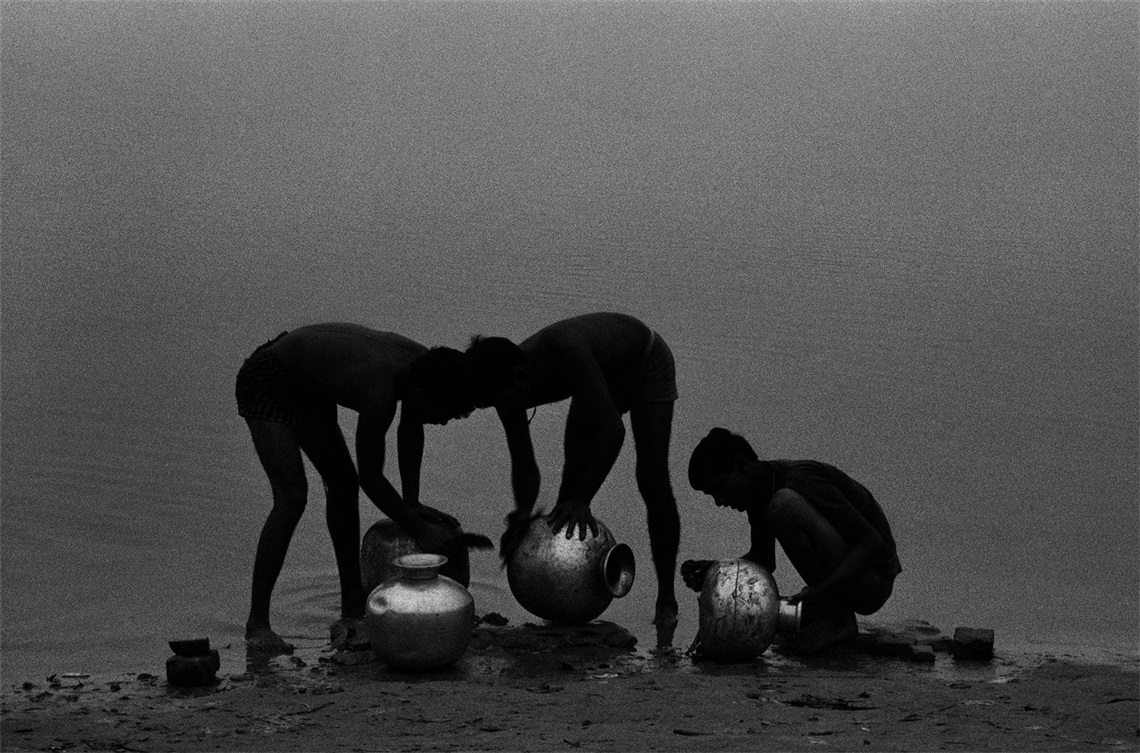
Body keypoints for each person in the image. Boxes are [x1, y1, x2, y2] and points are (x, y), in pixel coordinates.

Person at [235, 323, 477, 653]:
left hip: (311, 387)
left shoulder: (425, 367)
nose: (445, 422)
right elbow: (372, 478)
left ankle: (351, 599)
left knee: (342, 484)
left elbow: (411, 426)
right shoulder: (380, 392)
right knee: (291, 498)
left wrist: (412, 502)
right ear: (423, 395)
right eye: (445, 413)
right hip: (270, 378)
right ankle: (257, 624)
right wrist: (419, 528)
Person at [465, 312, 681, 647]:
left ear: (520, 377)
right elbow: (524, 462)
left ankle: (666, 600)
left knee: (651, 479)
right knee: (571, 477)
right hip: (598, 374)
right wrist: (522, 515)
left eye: (503, 401)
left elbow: (613, 431)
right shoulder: (503, 388)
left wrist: (583, 499)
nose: (503, 409)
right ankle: (562, 602)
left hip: (646, 361)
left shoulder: (565, 350)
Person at [684, 427, 901, 653]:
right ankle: (833, 614)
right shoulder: (759, 492)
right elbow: (763, 560)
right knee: (780, 506)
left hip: (874, 579)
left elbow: (871, 544)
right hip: (851, 579)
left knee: (783, 505)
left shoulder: (801, 479)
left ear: (741, 465)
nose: (719, 501)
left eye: (719, 488)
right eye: (712, 495)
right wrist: (717, 571)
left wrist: (821, 593)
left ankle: (836, 619)